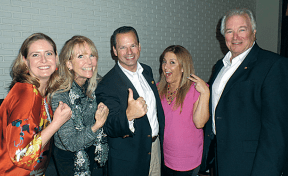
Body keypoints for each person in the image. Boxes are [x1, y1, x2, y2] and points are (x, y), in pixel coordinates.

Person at [201, 8, 288, 176]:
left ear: (254, 32)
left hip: (251, 164)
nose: (235, 37)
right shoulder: (220, 66)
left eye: (242, 29)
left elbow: (276, 132)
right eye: (229, 31)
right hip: (221, 158)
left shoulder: (273, 65)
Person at [0, 33, 72, 175]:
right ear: (25, 61)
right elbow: (20, 155)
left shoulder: (41, 92)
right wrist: (57, 123)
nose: (43, 60)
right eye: (35, 55)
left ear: (56, 58)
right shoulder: (27, 95)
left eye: (48, 53)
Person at [95, 26, 165, 176]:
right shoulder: (106, 84)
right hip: (129, 159)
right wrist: (128, 115)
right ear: (114, 51)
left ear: (139, 47)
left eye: (133, 45)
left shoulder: (147, 71)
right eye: (123, 47)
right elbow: (109, 126)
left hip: (155, 148)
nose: (129, 52)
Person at [50, 35, 109, 176]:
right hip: (70, 158)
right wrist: (97, 125)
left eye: (92, 55)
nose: (89, 61)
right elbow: (70, 143)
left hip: (93, 150)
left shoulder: (96, 84)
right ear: (69, 64)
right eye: (81, 56)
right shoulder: (60, 94)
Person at [157, 45, 209, 176]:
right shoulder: (158, 89)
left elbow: (200, 123)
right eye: (164, 61)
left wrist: (205, 93)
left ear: (182, 68)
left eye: (172, 63)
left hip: (188, 160)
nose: (166, 67)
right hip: (165, 156)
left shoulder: (195, 89)